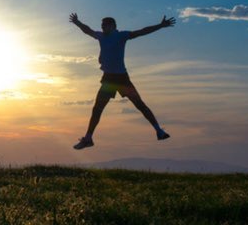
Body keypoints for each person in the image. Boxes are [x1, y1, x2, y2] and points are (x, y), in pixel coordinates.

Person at [69, 13, 176, 150]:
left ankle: (159, 131)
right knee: (97, 109)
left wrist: (160, 26)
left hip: (122, 78)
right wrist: (77, 22)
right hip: (108, 79)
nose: (102, 28)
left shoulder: (121, 36)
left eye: (105, 26)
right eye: (102, 26)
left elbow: (142, 32)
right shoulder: (101, 36)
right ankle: (88, 138)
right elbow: (87, 30)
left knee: (140, 105)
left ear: (113, 26)